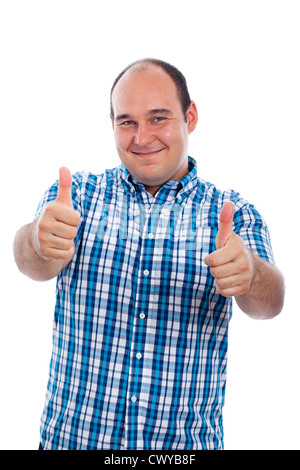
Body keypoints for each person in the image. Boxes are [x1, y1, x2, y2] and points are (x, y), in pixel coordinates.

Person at [13, 58, 284, 450]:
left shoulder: (233, 212)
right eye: (127, 122)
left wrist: (251, 274)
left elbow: (270, 303)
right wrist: (38, 241)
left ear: (190, 117)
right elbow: (32, 263)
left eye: (158, 118)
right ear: (112, 124)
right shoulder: (79, 196)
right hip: (71, 441)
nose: (142, 137)